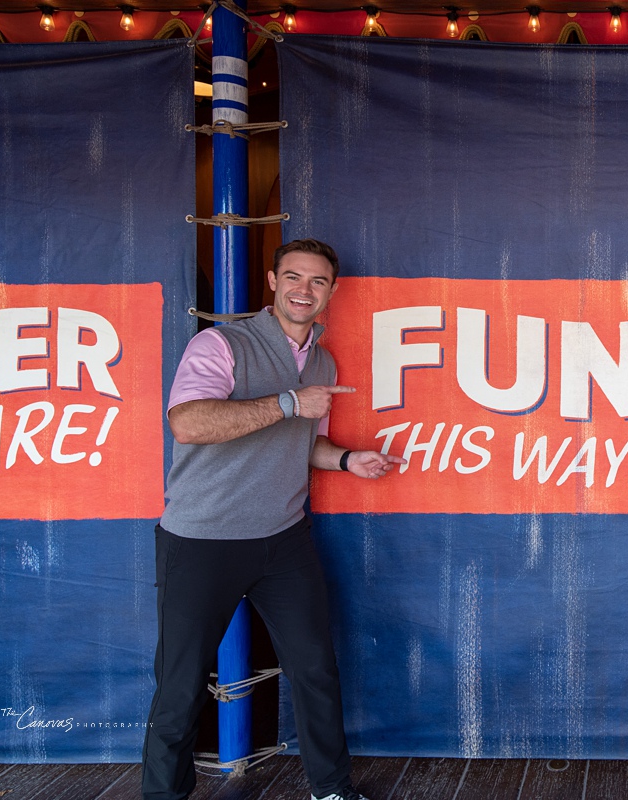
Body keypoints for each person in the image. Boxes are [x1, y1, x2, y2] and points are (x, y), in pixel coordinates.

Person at [141, 238, 405, 800]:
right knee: (180, 687)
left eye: (317, 281)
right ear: (271, 280)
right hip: (202, 539)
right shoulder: (221, 344)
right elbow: (189, 423)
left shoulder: (323, 360)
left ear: (332, 291)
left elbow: (301, 441)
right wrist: (290, 401)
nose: (303, 290)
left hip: (283, 539)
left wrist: (346, 459)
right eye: (293, 277)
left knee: (315, 671)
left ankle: (331, 790)